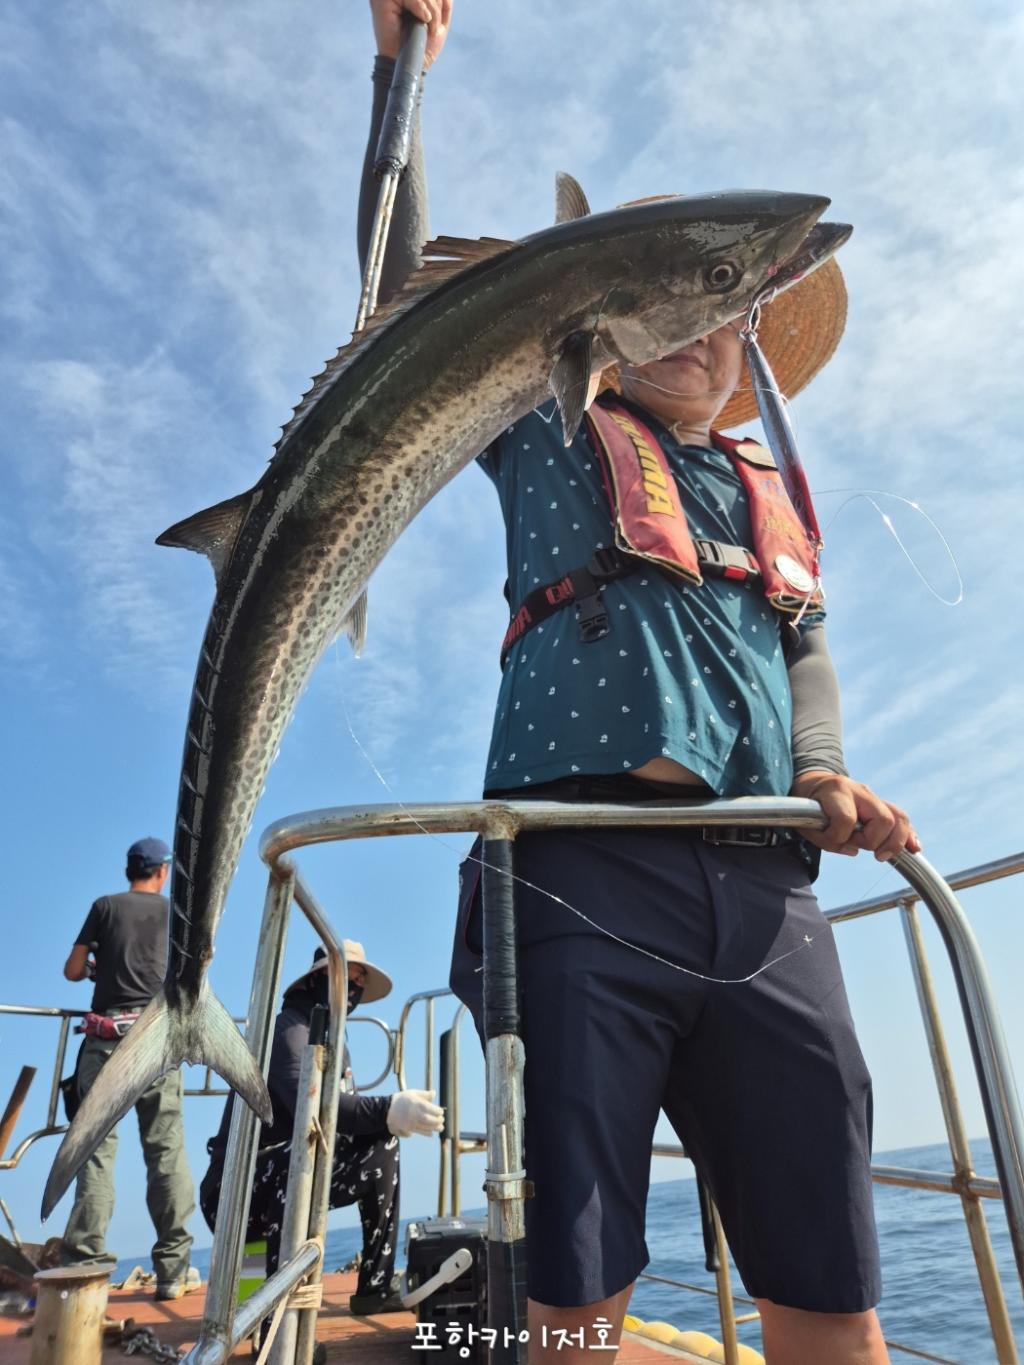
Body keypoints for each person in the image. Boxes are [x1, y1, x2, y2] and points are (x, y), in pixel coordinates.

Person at [363, 4, 920, 1363]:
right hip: (576, 863)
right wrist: (400, 70)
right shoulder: (545, 421)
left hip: (767, 882)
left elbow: (805, 645)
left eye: (730, 313)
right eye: (678, 301)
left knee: (831, 1268)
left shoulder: (762, 485)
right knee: (574, 1277)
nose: (704, 333)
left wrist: (825, 767)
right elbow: (399, 313)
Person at [199, 940, 444, 1315]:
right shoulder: (289, 1030)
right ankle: (276, 1321)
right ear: (316, 979)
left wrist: (387, 1120)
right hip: (237, 1191)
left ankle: (374, 1288)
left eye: (360, 979)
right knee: (297, 1158)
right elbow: (307, 1108)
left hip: (282, 1178)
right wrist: (388, 1107)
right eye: (345, 974)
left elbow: (342, 1121)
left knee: (383, 1146)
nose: (354, 985)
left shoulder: (334, 1042)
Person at [60, 836, 196, 1300]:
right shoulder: (174, 913)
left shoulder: (104, 906)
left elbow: (72, 970)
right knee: (166, 1153)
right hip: (156, 1041)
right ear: (162, 871)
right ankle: (173, 1273)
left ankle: (85, 1267)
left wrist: (100, 967)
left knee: (94, 1151)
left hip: (106, 1045)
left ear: (129, 871)